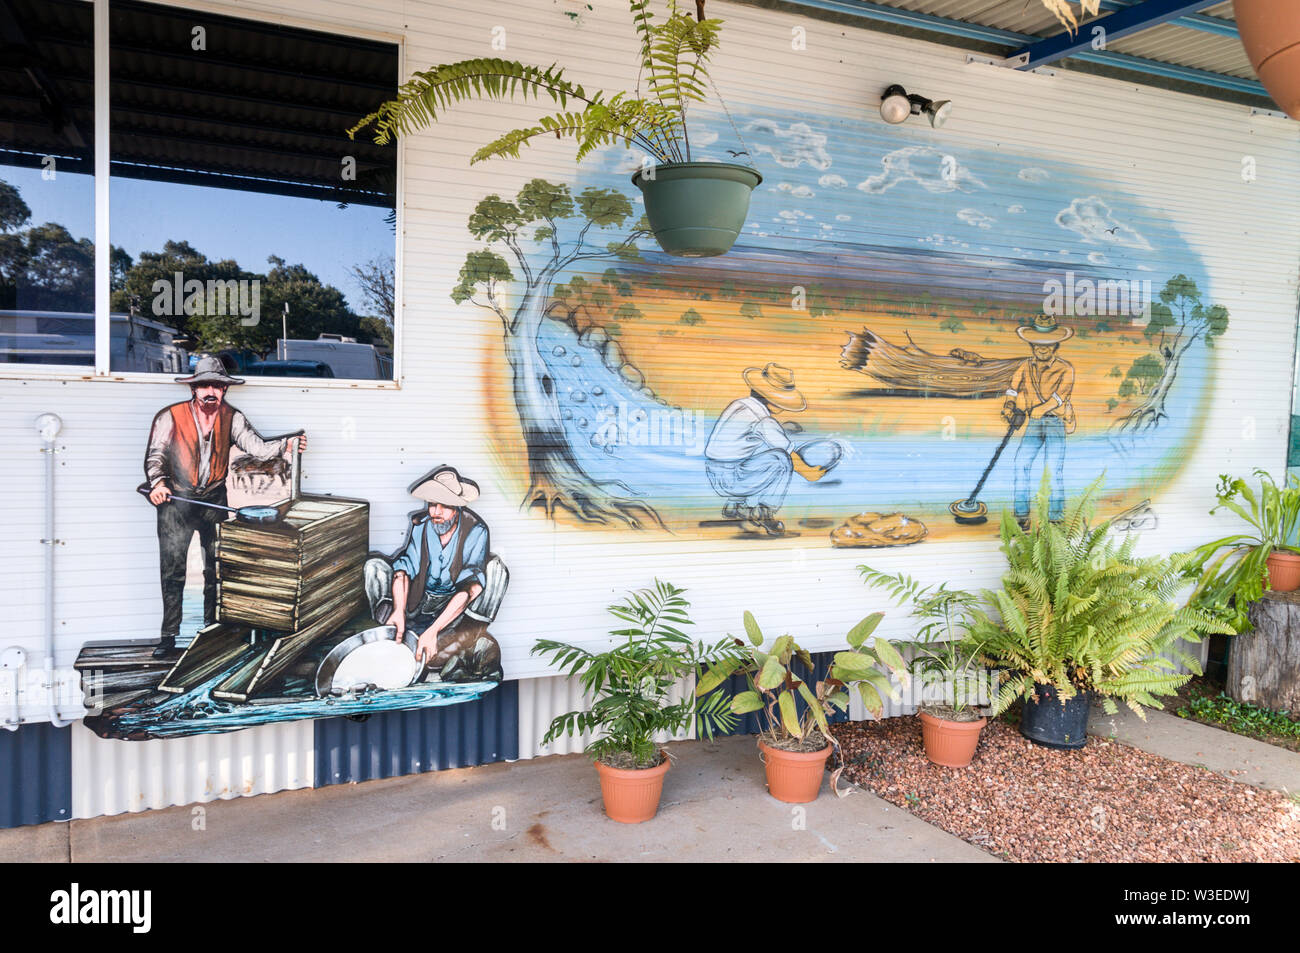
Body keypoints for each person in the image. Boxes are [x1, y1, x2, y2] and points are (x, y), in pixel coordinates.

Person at [143, 355, 307, 657]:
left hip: (214, 500)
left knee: (215, 567)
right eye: (204, 385)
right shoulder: (170, 416)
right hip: (176, 501)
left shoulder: (233, 418)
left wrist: (286, 444)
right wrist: (159, 484)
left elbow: (258, 449)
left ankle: (212, 630)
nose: (210, 392)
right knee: (172, 571)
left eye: (216, 387)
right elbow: (156, 456)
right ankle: (168, 637)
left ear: (224, 390)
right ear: (194, 389)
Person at [364, 466, 488, 667]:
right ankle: (394, 623)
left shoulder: (476, 531)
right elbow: (403, 570)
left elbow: (470, 588)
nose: (436, 512)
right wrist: (398, 609)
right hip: (419, 598)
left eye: (444, 506)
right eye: (432, 504)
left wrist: (433, 631)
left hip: (451, 603)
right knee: (374, 566)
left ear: (457, 507)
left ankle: (459, 635)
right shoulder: (421, 526)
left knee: (498, 572)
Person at [704, 363, 809, 536]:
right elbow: (788, 451)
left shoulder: (740, 404)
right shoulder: (764, 421)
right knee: (781, 459)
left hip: (714, 471)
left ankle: (735, 506)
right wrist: (811, 472)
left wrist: (782, 429)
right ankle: (765, 513)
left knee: (752, 450)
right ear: (773, 401)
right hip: (732, 479)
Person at [1002, 316, 1076, 528]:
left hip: (1055, 423)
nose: (1042, 350)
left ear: (1056, 346)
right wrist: (1009, 405)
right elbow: (1013, 387)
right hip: (1034, 424)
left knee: (1052, 470)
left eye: (1047, 346)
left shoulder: (1066, 369)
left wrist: (1039, 409)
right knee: (1020, 464)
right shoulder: (1025, 366)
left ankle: (1055, 519)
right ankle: (1021, 517)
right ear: (1032, 345)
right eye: (1038, 346)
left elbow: (1059, 397)